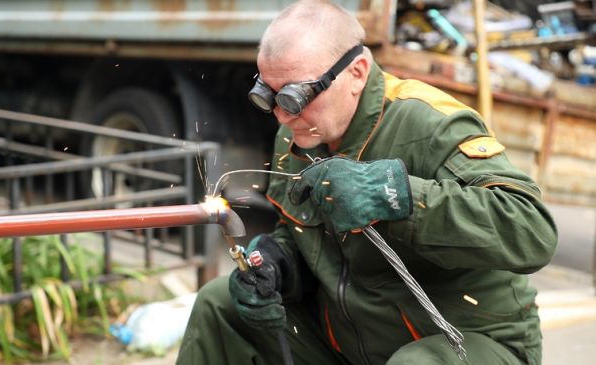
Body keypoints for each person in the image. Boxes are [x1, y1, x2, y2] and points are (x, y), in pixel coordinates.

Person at [176, 1, 558, 364]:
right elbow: (304, 238)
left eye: (295, 97)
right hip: (353, 340)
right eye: (268, 97)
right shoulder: (298, 131)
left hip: (467, 342)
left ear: (356, 73)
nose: (281, 116)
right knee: (219, 305)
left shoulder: (430, 124)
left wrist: (400, 196)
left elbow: (532, 231)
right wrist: (280, 264)